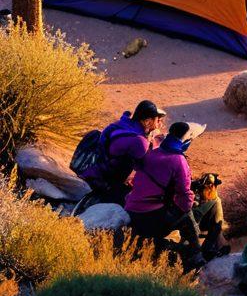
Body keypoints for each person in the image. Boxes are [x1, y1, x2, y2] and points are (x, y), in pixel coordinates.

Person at [126, 121, 206, 270]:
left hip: (132, 210)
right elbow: (184, 194)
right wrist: (189, 204)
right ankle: (196, 255)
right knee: (188, 215)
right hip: (151, 217)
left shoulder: (152, 153)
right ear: (186, 139)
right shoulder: (179, 160)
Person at [80, 100, 166, 207]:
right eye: (158, 120)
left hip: (94, 169)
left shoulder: (122, 124)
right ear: (147, 122)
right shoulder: (139, 140)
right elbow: (144, 166)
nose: (160, 124)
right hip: (106, 182)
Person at [191, 173, 230, 259]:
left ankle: (216, 245)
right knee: (217, 202)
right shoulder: (198, 196)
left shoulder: (207, 198)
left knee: (217, 224)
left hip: (196, 222)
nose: (212, 187)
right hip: (191, 222)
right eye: (210, 185)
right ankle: (210, 248)